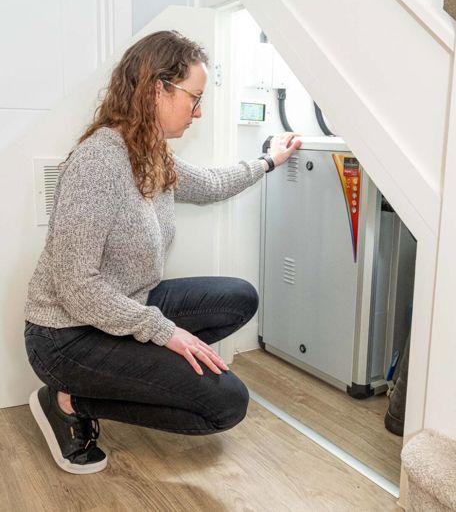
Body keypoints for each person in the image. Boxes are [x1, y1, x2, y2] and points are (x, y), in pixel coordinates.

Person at [24, 30, 301, 475]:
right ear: (158, 88)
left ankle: (134, 370)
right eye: (194, 97)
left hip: (123, 308)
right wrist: (163, 332)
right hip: (65, 335)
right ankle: (67, 398)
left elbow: (209, 185)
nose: (199, 110)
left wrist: (269, 161)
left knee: (238, 297)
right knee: (226, 403)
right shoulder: (99, 161)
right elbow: (75, 286)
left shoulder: (151, 153)